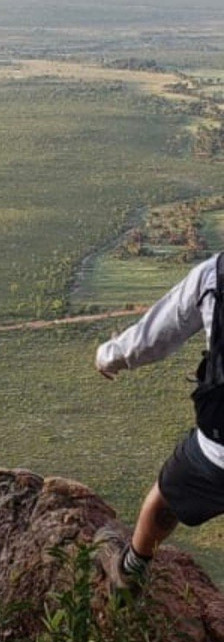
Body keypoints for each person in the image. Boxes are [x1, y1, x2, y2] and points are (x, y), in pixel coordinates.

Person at [94, 252, 224, 592]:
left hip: (218, 452)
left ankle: (130, 571)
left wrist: (107, 357)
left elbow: (152, 338)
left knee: (165, 495)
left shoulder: (214, 275)